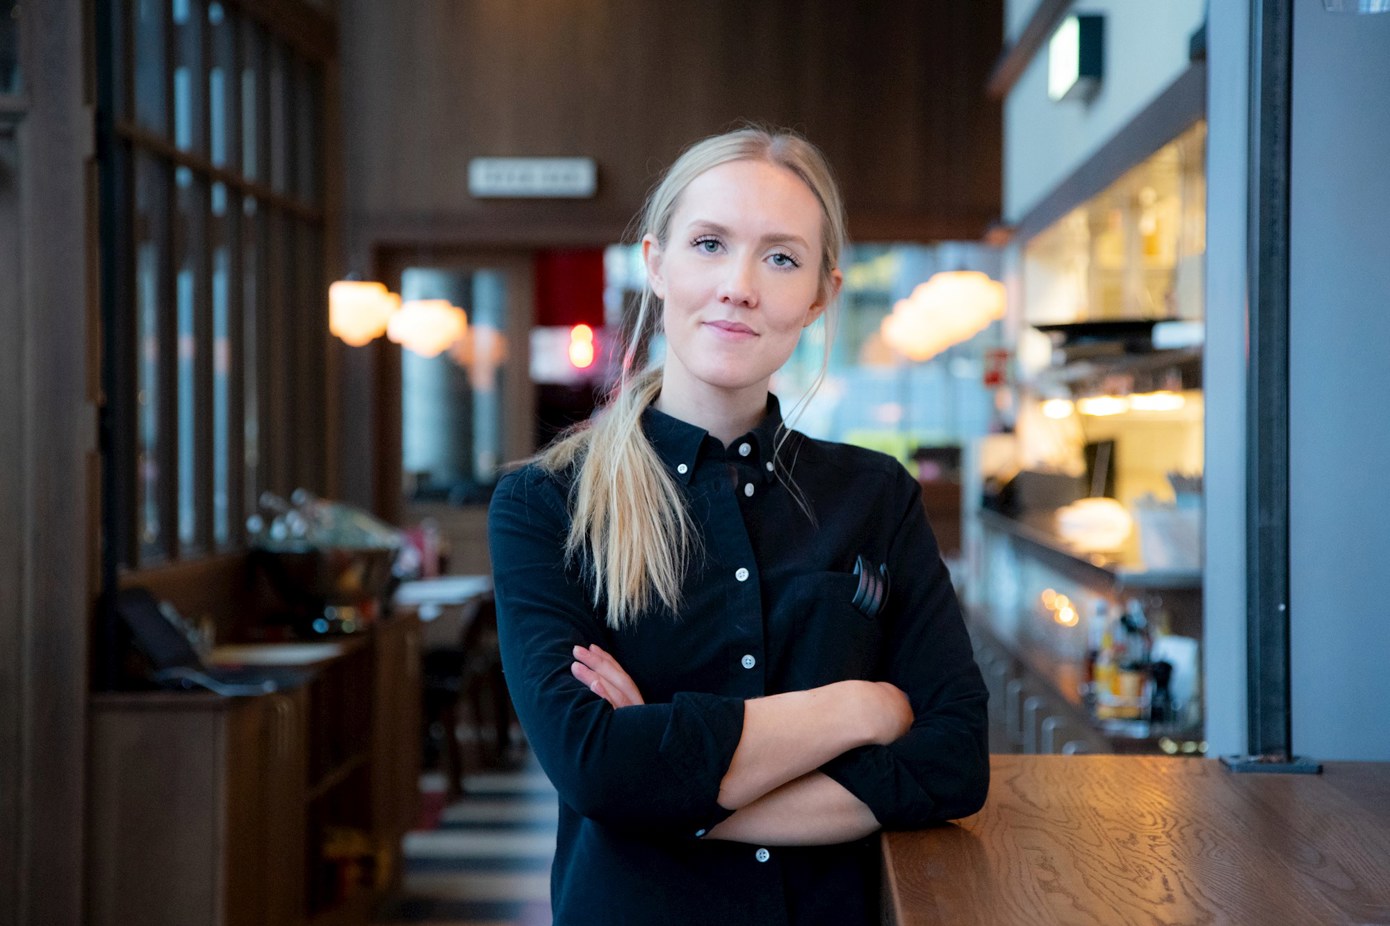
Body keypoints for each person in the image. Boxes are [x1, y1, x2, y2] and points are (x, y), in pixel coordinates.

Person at [487, 126, 988, 926]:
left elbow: (955, 762)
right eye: (710, 244)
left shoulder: (876, 496)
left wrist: (667, 781)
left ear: (821, 293)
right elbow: (597, 770)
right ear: (657, 262)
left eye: (781, 257)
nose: (740, 285)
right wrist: (860, 708)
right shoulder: (544, 505)